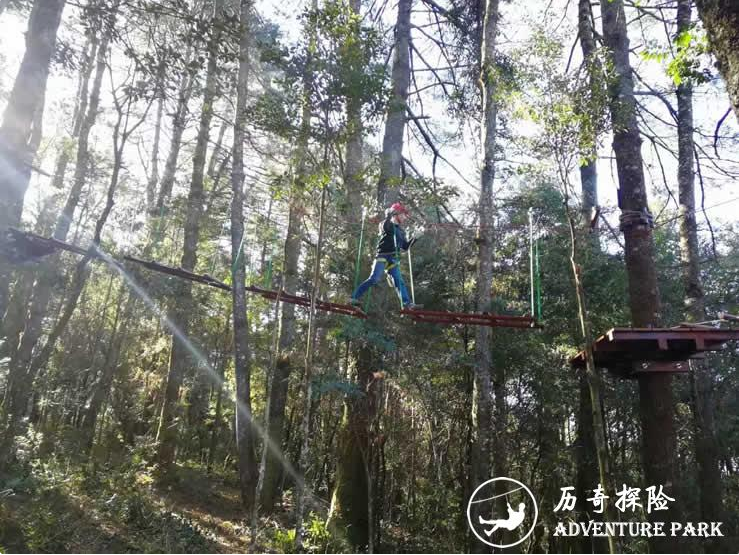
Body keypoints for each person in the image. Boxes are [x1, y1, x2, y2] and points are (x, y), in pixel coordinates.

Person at [351, 202, 420, 309]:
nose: (405, 217)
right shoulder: (385, 224)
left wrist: (415, 238)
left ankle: (407, 304)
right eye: (403, 214)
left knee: (398, 281)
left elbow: (405, 247)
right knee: (374, 278)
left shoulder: (401, 231)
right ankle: (354, 298)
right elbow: (387, 227)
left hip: (393, 259)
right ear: (396, 214)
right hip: (382, 256)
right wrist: (389, 215)